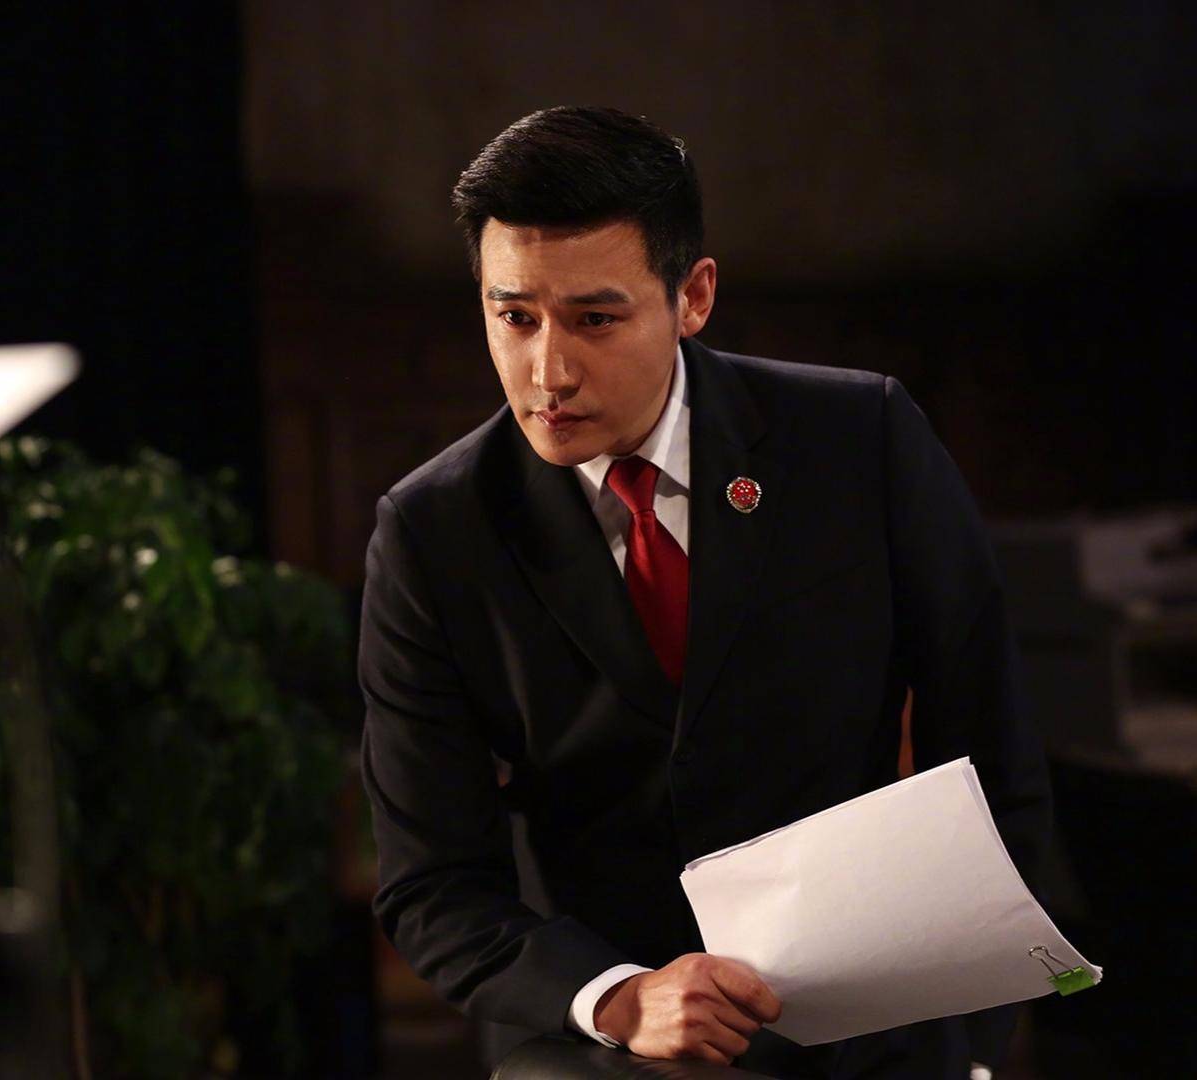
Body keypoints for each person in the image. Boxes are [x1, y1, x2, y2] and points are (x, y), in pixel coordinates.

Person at [359, 106, 1050, 1079]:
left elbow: (993, 761)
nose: (548, 371)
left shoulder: (859, 441)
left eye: (595, 320)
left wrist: (967, 1040)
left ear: (693, 297)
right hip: (612, 1038)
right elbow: (432, 884)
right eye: (514, 317)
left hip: (880, 1027)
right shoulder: (433, 531)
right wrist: (620, 998)